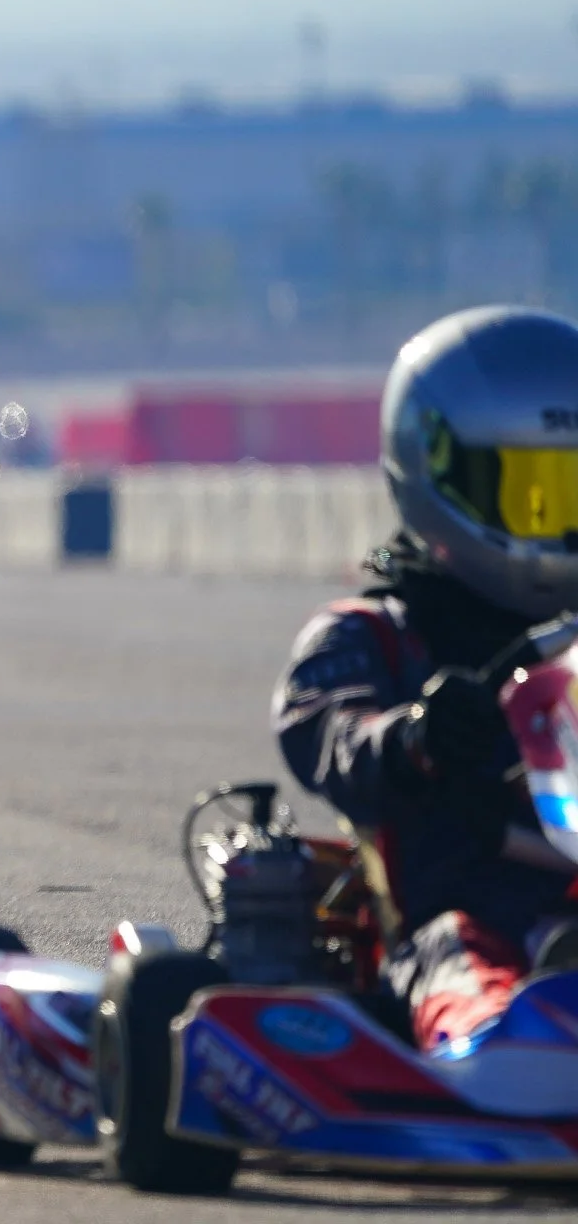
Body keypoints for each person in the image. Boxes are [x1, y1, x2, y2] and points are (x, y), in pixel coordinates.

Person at [274, 305, 578, 1049]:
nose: (559, 526)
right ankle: (508, 1053)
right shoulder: (371, 637)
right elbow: (332, 738)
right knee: (468, 963)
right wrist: (416, 738)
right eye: (534, 494)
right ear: (439, 477)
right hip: (464, 921)